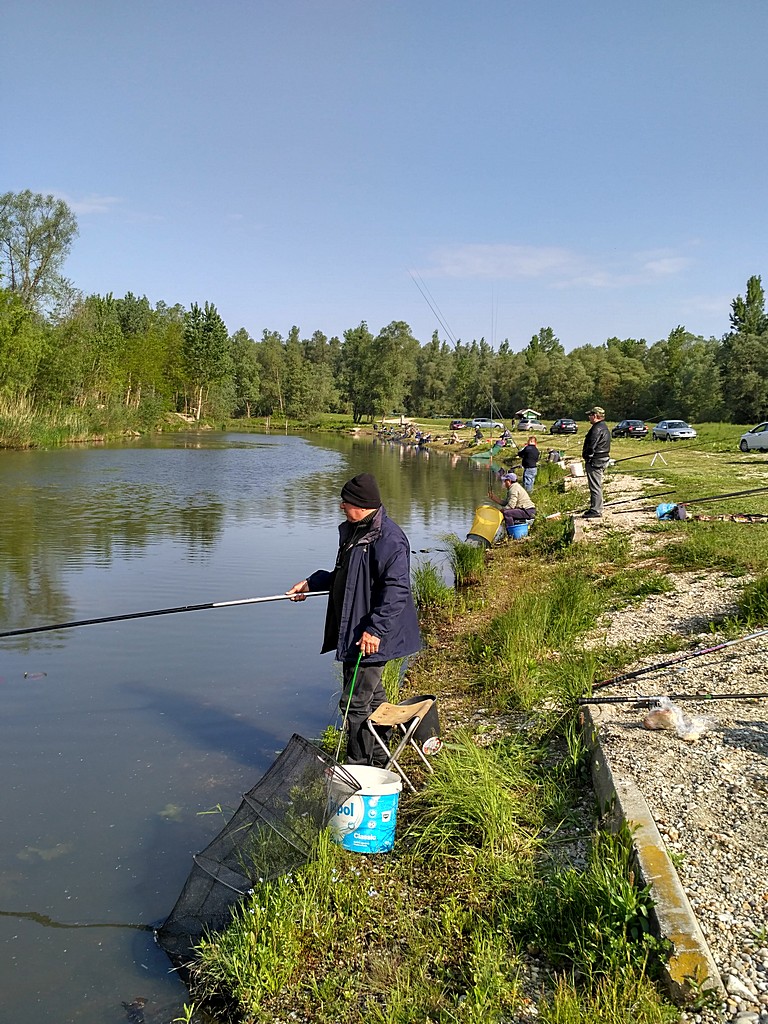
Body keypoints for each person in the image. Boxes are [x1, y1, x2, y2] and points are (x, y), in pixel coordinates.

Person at [286, 473, 421, 766]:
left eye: (345, 503)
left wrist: (374, 629)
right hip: (357, 629)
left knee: (354, 703)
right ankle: (379, 758)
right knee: (372, 699)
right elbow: (347, 578)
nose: (341, 507)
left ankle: (359, 769)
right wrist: (313, 582)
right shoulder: (356, 531)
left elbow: (397, 590)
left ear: (361, 505)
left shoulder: (389, 539)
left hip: (372, 636)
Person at [582, 406, 612, 518]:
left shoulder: (596, 429)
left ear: (595, 416)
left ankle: (596, 510)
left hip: (595, 461)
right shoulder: (604, 427)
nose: (589, 417)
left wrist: (587, 457)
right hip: (603, 458)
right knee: (597, 484)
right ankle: (595, 507)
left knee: (595, 485)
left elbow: (592, 445)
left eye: (590, 415)